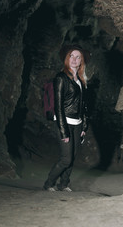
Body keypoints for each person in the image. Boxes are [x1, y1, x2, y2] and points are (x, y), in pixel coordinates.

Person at [43, 44, 90, 192]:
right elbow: (58, 106)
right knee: (66, 159)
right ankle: (49, 183)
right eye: (71, 56)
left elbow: (84, 105)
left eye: (78, 57)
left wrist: (84, 126)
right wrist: (63, 131)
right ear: (66, 58)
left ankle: (63, 184)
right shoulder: (61, 78)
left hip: (77, 124)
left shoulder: (81, 80)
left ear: (81, 61)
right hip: (65, 122)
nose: (74, 59)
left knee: (73, 157)